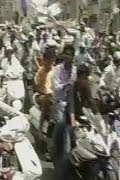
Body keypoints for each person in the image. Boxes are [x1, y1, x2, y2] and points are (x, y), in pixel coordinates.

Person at [52, 44, 77, 180]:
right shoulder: (57, 69)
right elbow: (56, 88)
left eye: (70, 54)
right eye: (66, 54)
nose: (68, 57)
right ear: (63, 55)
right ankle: (53, 147)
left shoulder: (75, 70)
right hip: (59, 103)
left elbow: (74, 91)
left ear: (73, 56)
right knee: (60, 123)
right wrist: (66, 85)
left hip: (70, 104)